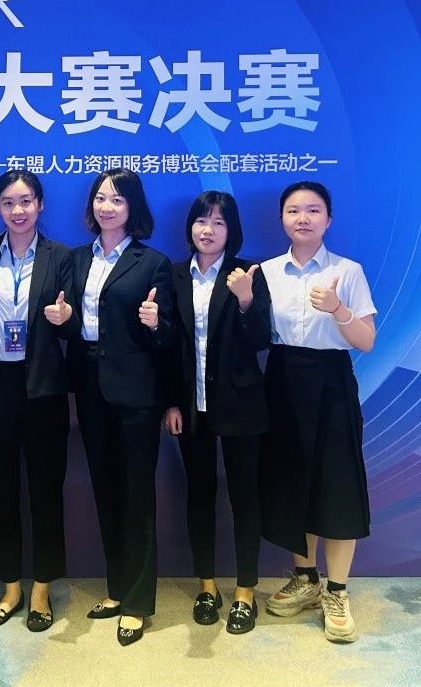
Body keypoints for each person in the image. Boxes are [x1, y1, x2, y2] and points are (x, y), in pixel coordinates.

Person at [260, 181, 377, 644]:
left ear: (328, 219)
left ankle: (337, 590)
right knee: (294, 482)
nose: (303, 218)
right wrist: (246, 300)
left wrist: (338, 309)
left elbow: (366, 341)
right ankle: (305, 579)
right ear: (282, 219)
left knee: (336, 485)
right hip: (283, 380)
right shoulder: (266, 272)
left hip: (331, 382)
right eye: (294, 210)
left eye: (313, 210)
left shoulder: (347, 271)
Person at [64, 168, 175, 646]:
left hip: (136, 393)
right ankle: (116, 589)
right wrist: (64, 320)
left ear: (133, 208)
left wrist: (155, 322)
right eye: (100, 198)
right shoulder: (75, 259)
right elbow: (71, 325)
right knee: (105, 490)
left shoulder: (152, 262)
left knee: (136, 495)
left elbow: (169, 338)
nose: (106, 207)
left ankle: (138, 602)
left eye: (117, 199)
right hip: (89, 387)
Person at [0, 169, 77, 633]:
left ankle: (42, 589)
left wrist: (66, 318)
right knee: (1, 492)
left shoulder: (61, 256)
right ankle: (10, 587)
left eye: (26, 201)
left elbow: (76, 326)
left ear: (40, 205)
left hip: (42, 388)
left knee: (46, 492)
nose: (18, 210)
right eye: (9, 202)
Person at [163, 191, 272, 634]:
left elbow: (261, 339)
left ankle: (245, 592)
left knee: (245, 498)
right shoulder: (173, 275)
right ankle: (207, 586)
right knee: (200, 494)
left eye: (218, 222)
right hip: (192, 407)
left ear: (232, 230)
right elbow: (170, 347)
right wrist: (172, 401)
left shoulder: (247, 273)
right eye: (201, 221)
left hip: (241, 404)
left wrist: (245, 300)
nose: (207, 230)